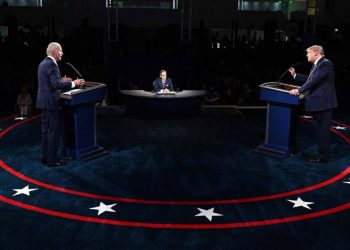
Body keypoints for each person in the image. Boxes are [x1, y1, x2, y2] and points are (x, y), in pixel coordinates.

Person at [36, 42, 85, 167]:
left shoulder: (43, 63)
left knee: (46, 131)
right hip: (51, 103)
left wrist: (62, 80)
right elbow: (56, 85)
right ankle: (52, 160)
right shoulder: (52, 64)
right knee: (53, 132)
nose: (62, 53)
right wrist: (74, 83)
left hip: (44, 102)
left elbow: (51, 82)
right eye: (60, 51)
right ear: (54, 52)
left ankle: (45, 157)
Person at [289, 45, 337, 163]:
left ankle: (324, 156)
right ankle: (322, 154)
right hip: (319, 103)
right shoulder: (318, 65)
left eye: (308, 53)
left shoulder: (326, 64)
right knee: (320, 130)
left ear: (316, 53)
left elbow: (314, 81)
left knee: (323, 131)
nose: (307, 55)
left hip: (324, 103)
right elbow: (311, 80)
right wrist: (295, 75)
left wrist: (299, 90)